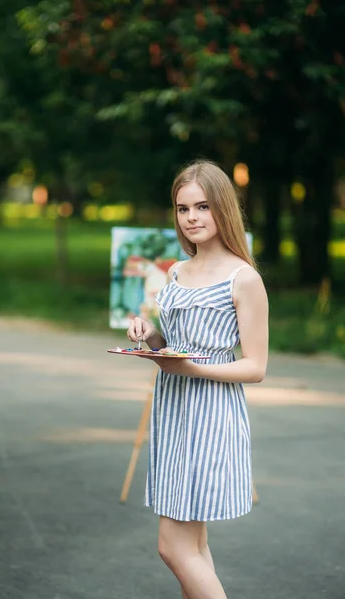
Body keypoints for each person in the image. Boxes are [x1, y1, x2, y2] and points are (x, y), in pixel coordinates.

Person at [127, 159, 269, 599]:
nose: (191, 218)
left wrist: (189, 368)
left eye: (202, 207)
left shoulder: (243, 278)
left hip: (211, 414)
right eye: (182, 208)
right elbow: (174, 345)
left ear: (222, 208)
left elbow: (255, 367)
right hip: (173, 410)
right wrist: (150, 335)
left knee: (172, 547)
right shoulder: (175, 272)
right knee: (195, 544)